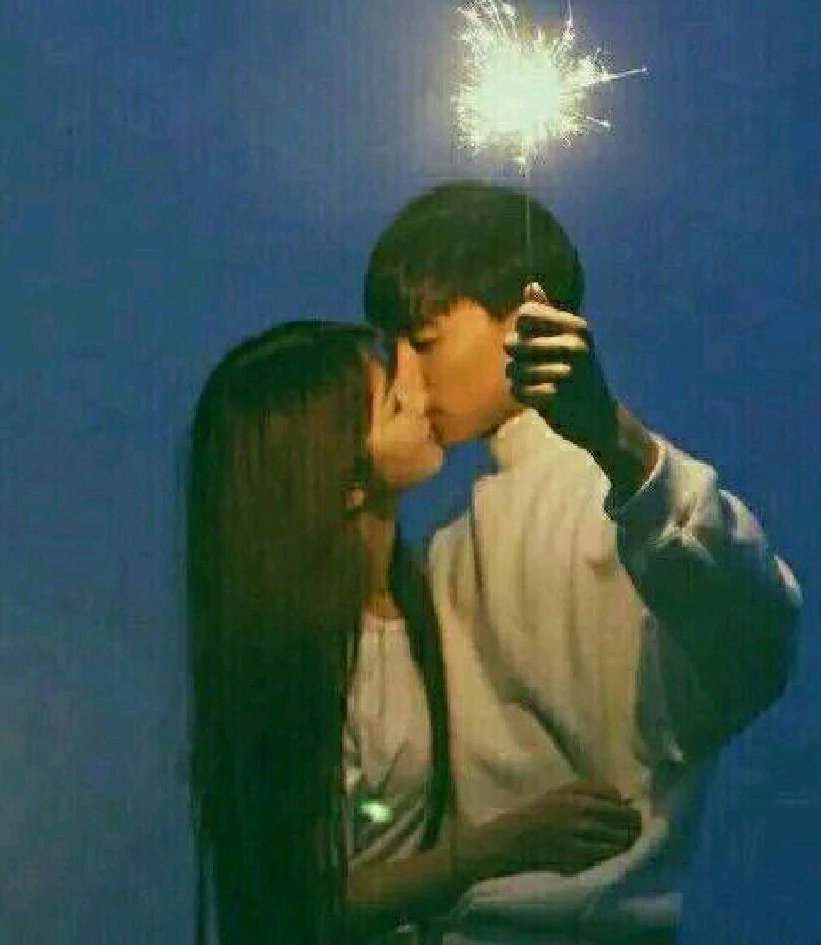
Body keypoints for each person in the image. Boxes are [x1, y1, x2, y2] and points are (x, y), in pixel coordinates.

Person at [363, 181, 803, 943]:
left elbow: (757, 635)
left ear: (525, 318)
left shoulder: (631, 505)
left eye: (425, 342)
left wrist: (614, 438)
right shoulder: (446, 553)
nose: (405, 377)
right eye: (393, 349)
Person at [184, 320, 642, 945]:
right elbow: (302, 904)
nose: (421, 397)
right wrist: (505, 846)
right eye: (394, 405)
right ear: (344, 482)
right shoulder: (302, 664)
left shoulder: (420, 598)